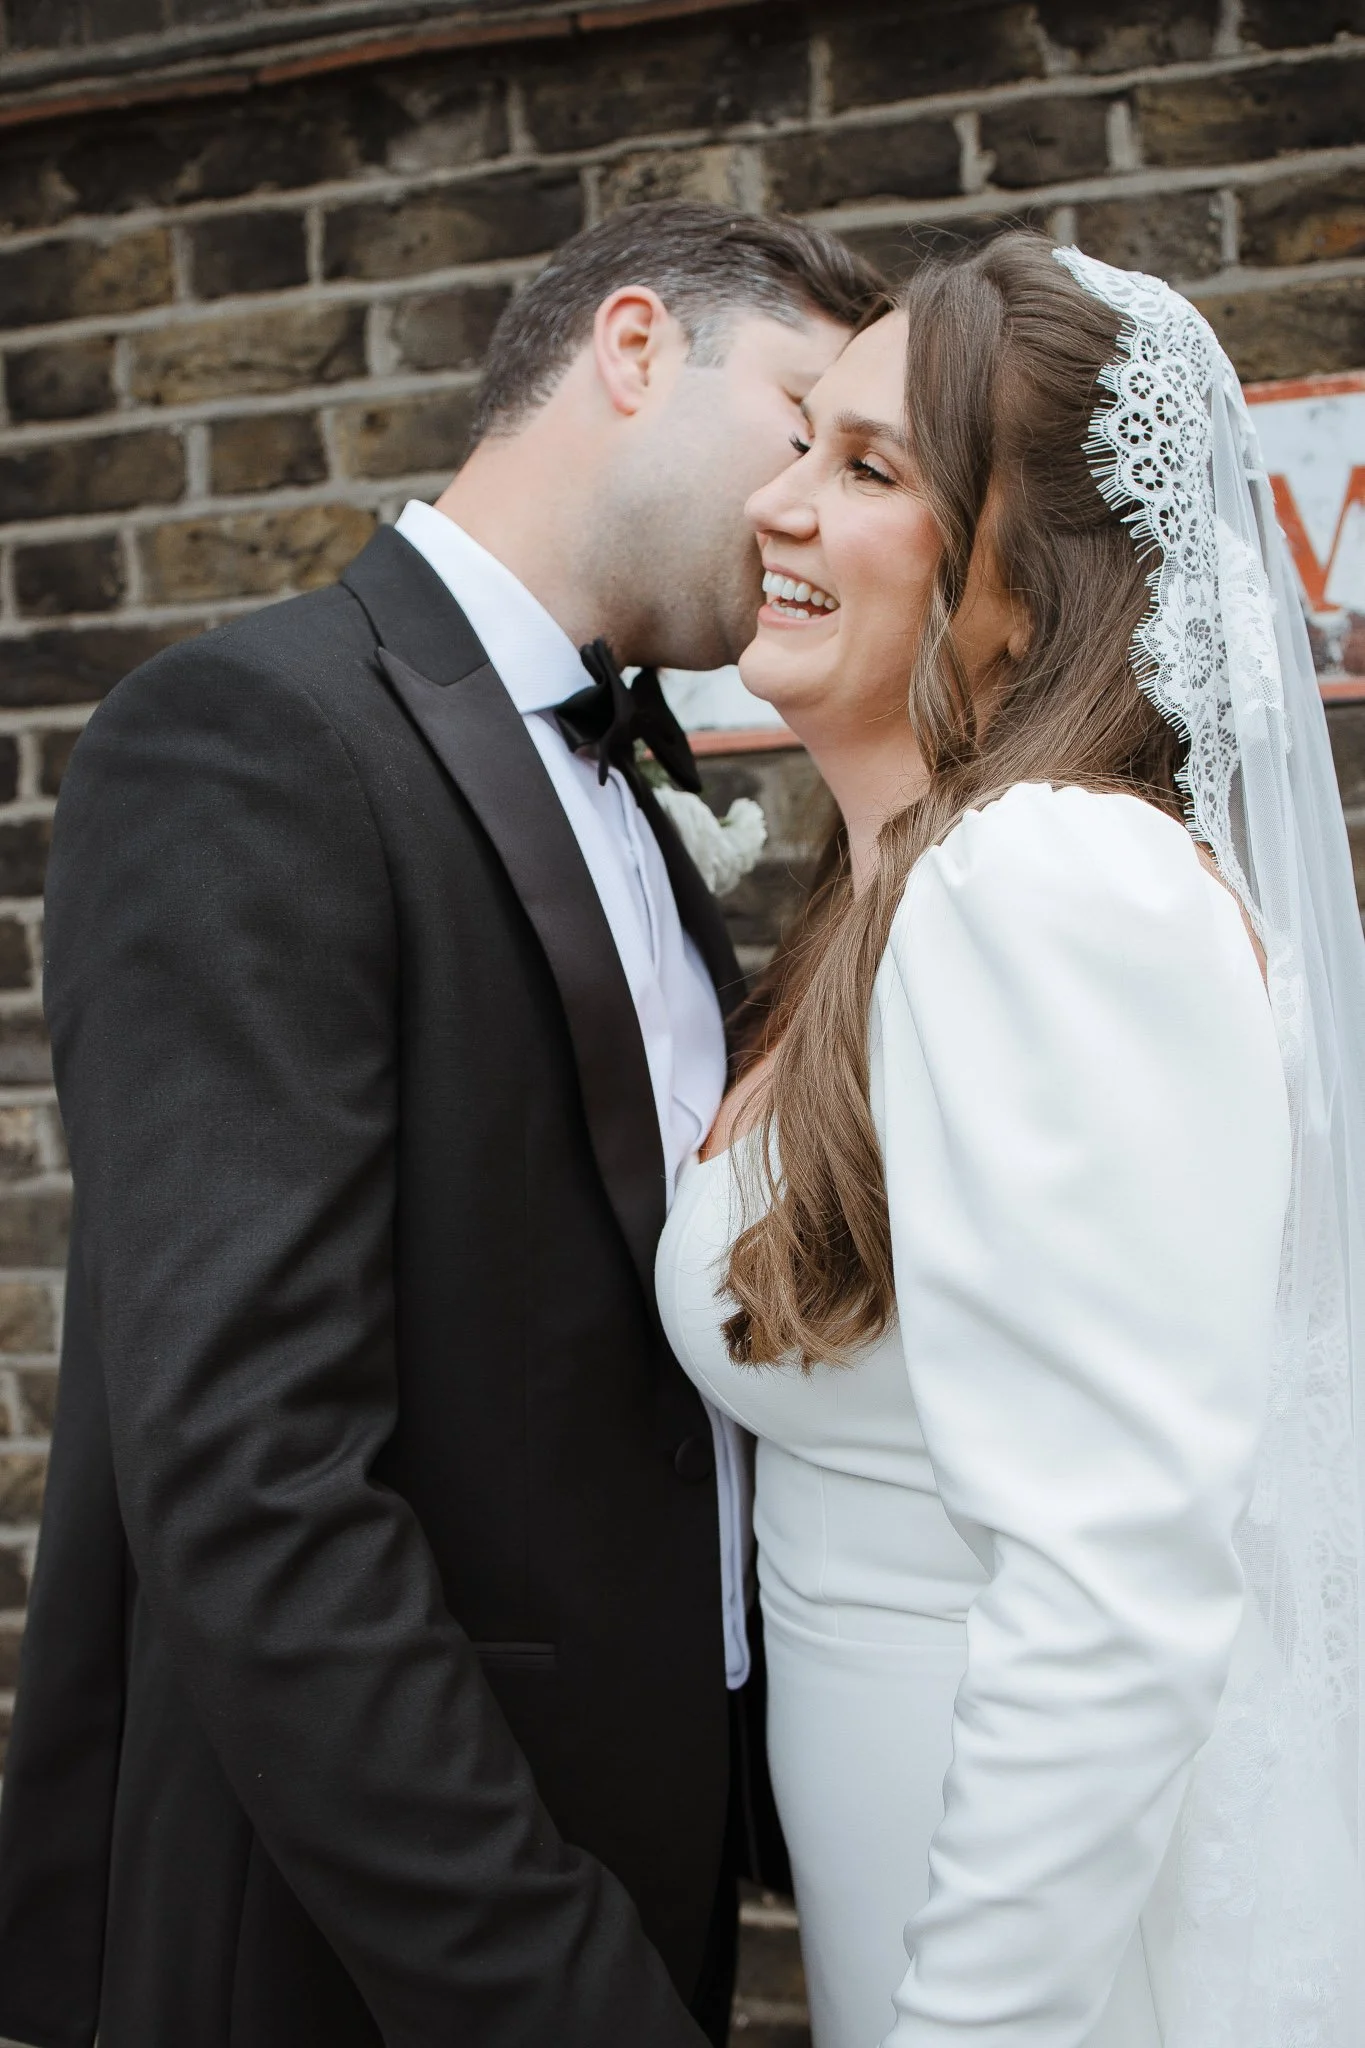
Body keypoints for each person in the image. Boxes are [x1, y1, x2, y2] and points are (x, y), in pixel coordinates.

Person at [0, 201, 884, 2048]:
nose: (809, 506)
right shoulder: (250, 740)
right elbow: (254, 1475)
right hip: (352, 1940)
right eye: (802, 426)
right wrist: (550, 1992)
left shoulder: (645, 809)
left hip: (637, 1872)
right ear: (634, 349)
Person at [657, 233, 1365, 2047]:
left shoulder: (1046, 882)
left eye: (867, 468)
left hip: (1036, 1975)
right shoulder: (887, 896)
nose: (777, 501)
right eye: (798, 441)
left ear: (1025, 596)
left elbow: (1114, 1587)